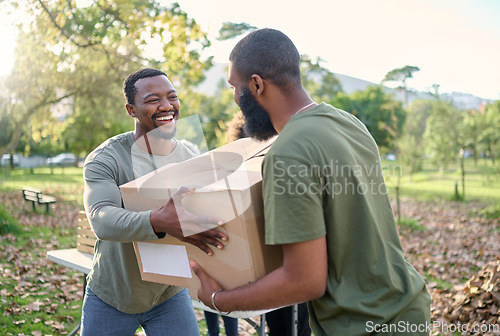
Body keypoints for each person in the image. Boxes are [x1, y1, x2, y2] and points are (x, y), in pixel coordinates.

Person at [191, 28, 431, 336]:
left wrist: (218, 300)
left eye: (235, 88)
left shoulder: (288, 151)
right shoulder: (347, 122)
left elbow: (303, 280)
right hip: (406, 307)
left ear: (256, 85)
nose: (235, 100)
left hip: (361, 324)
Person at [81, 68, 228, 336]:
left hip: (167, 293)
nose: (166, 106)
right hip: (113, 293)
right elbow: (101, 218)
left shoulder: (190, 154)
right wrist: (157, 220)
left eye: (172, 97)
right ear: (131, 109)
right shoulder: (106, 158)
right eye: (152, 100)